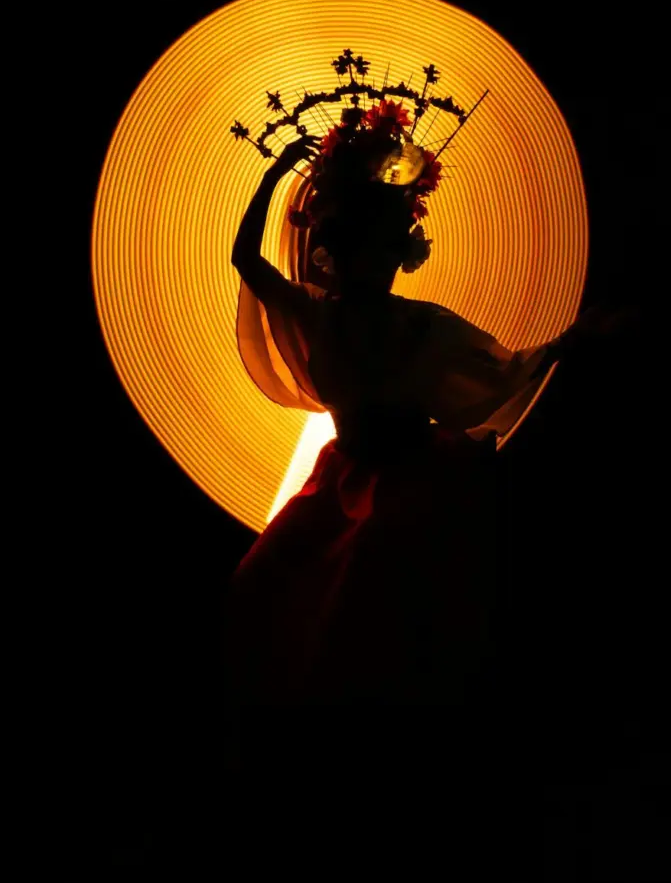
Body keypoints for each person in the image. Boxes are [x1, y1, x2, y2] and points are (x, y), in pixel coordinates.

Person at [221, 105, 620, 735]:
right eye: (364, 240)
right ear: (335, 248)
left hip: (415, 480)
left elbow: (501, 371)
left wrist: (571, 340)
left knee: (375, 605)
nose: (375, 257)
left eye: (385, 241)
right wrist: (274, 175)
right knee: (288, 596)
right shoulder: (328, 312)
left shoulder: (408, 322)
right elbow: (246, 257)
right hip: (366, 479)